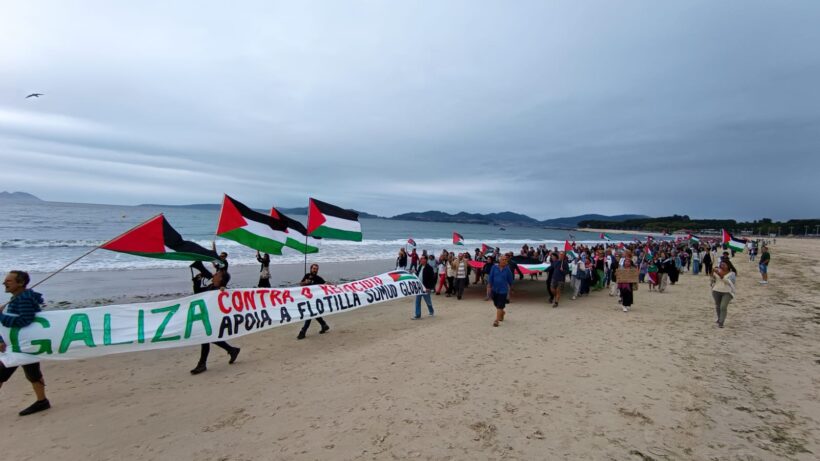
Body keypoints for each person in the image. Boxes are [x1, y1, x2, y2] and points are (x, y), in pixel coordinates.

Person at [0, 271, 51, 416]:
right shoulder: (17, 298)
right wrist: (2, 339)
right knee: (33, 373)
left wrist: (1, 316)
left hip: (24, 345)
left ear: (21, 283)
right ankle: (42, 401)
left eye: (9, 281)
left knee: (26, 373)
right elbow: (9, 325)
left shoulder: (25, 299)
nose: (4, 283)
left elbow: (24, 320)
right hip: (20, 344)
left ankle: (42, 401)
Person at [190, 268, 241, 374]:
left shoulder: (221, 290)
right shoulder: (211, 286)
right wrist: (196, 281)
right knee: (209, 337)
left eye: (217, 274)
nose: (214, 274)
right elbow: (198, 293)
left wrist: (223, 290)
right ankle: (232, 350)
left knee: (206, 338)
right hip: (208, 317)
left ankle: (202, 364)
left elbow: (227, 296)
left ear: (221, 279)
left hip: (216, 318)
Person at [297, 264, 330, 339]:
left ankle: (303, 331)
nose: (315, 270)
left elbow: (325, 284)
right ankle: (324, 325)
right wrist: (305, 282)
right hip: (307, 299)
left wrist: (331, 285)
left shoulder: (318, 278)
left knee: (310, 314)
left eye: (316, 269)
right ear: (311, 269)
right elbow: (301, 284)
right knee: (313, 313)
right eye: (314, 268)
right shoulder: (307, 275)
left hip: (315, 300)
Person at [488, 255, 514, 327]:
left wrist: (511, 289)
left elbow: (510, 280)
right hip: (494, 289)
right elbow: (490, 278)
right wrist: (489, 287)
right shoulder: (494, 267)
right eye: (503, 259)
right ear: (499, 260)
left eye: (506, 260)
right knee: (496, 304)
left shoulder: (507, 269)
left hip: (503, 290)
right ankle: (502, 313)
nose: (505, 261)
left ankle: (496, 321)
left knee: (500, 305)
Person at [710, 260, 736, 328]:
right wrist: (712, 272)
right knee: (718, 306)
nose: (722, 266)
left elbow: (730, 283)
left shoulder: (732, 274)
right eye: (721, 264)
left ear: (728, 265)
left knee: (723, 306)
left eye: (724, 265)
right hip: (716, 290)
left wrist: (721, 275)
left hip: (727, 292)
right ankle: (719, 319)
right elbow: (712, 280)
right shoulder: (717, 270)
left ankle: (721, 322)